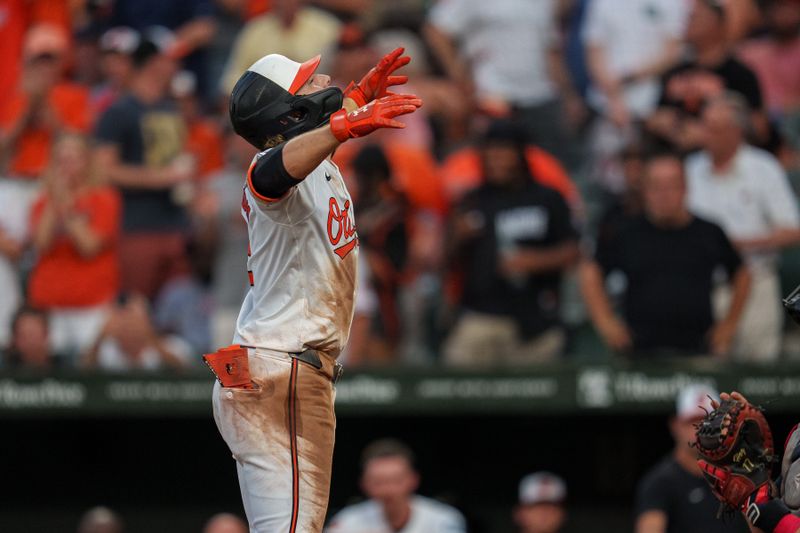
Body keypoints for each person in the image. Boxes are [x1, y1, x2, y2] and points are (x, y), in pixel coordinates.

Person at [208, 48, 421, 532]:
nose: (324, 77)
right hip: (284, 370)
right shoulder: (272, 168)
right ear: (293, 112)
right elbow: (272, 172)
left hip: (277, 369)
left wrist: (357, 99)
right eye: (309, 81)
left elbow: (308, 143)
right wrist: (345, 123)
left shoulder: (310, 151)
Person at [582, 152, 751, 357]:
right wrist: (605, 322)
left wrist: (729, 325)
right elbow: (591, 272)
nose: (664, 194)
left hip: (699, 350)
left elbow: (742, 274)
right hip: (638, 354)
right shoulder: (625, 233)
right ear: (645, 191)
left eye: (672, 185)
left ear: (685, 188)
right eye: (656, 187)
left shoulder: (709, 232)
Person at [444, 120, 580, 365]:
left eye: (503, 151)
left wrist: (535, 261)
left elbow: (573, 251)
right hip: (482, 316)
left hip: (537, 319)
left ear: (520, 154)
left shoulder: (547, 198)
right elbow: (444, 259)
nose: (495, 159)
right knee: (457, 382)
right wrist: (457, 236)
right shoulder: (472, 200)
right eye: (490, 152)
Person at [686, 93, 800, 361]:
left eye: (714, 129)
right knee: (707, 374)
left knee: (757, 371)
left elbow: (792, 231)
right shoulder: (690, 168)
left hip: (756, 282)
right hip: (704, 286)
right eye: (704, 127)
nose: (706, 136)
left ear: (735, 131)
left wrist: (734, 245)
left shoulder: (763, 168)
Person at [93, 31, 193, 299]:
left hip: (176, 223)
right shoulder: (118, 112)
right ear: (153, 63)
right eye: (170, 59)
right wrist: (161, 177)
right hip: (136, 226)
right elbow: (104, 169)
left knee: (177, 309)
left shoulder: (171, 109)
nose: (176, 66)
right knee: (136, 305)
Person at [424, 0, 582, 168]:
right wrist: (458, 73)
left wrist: (568, 94)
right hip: (494, 95)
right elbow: (436, 30)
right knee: (496, 167)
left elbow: (551, 50)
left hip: (541, 95)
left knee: (554, 166)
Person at [28, 133, 121, 359]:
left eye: (73, 159)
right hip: (49, 305)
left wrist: (67, 206)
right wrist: (54, 200)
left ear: (86, 161)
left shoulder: (104, 198)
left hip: (92, 304)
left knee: (97, 362)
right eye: (61, 160)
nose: (66, 166)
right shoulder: (42, 202)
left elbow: (88, 246)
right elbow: (41, 243)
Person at [647, 0, 769, 153]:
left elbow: (760, 128)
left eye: (696, 18)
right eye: (688, 18)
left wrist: (709, 133)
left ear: (717, 24)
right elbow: (653, 118)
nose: (688, 23)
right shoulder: (674, 72)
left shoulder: (740, 74)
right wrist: (668, 124)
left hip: (722, 159)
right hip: (675, 160)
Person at [635, 385, 750, 533]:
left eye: (708, 419)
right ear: (676, 425)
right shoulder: (660, 482)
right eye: (692, 421)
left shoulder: (741, 475)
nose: (700, 428)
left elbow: (766, 524)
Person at [325, 439, 467, 533]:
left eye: (396, 480)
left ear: (413, 480)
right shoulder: (347, 522)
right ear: (364, 484)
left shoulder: (443, 519)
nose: (388, 490)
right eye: (379, 482)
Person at [82, 293, 191, 371]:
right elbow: (83, 370)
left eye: (135, 320)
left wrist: (150, 337)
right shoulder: (106, 349)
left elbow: (183, 368)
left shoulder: (170, 344)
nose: (131, 327)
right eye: (125, 321)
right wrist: (101, 337)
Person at [1, 306, 51, 370]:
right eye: (24, 336)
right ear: (15, 338)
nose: (30, 341)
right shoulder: (5, 369)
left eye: (34, 335)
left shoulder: (64, 366)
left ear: (46, 334)